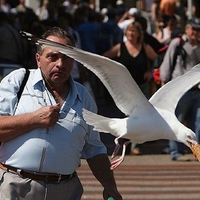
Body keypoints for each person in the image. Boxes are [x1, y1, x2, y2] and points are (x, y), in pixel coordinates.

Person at [0, 27, 122, 200]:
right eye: (52, 57)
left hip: (65, 190)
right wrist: (34, 120)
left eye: (66, 57)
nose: (60, 64)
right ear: (38, 59)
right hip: (15, 187)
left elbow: (94, 148)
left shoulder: (84, 97)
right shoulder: (18, 81)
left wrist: (110, 186)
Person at [103, 21, 157, 155]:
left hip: (142, 86)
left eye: (134, 31)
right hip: (125, 88)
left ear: (139, 34)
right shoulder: (120, 47)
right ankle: (123, 144)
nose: (131, 34)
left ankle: (136, 145)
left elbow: (157, 59)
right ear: (126, 33)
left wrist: (150, 72)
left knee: (140, 116)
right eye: (129, 31)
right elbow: (104, 58)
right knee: (125, 115)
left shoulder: (144, 47)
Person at [160, 18, 200, 161]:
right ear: (187, 29)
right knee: (177, 121)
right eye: (193, 29)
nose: (195, 32)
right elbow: (167, 63)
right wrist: (164, 83)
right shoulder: (177, 43)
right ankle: (176, 151)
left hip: (197, 90)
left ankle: (197, 152)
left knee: (198, 120)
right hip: (179, 91)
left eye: (198, 30)